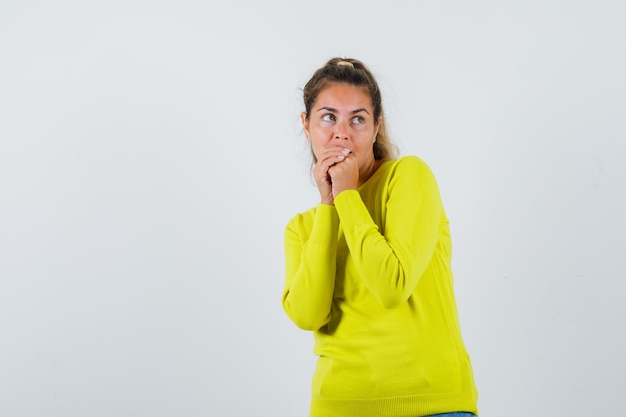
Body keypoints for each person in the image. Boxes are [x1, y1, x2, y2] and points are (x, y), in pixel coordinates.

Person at [281, 57, 479, 417]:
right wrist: (329, 208)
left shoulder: (409, 178)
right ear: (306, 126)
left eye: (358, 119)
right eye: (328, 117)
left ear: (376, 128)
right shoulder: (303, 227)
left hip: (431, 405)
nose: (342, 132)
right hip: (337, 407)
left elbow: (392, 286)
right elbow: (309, 315)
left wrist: (346, 197)